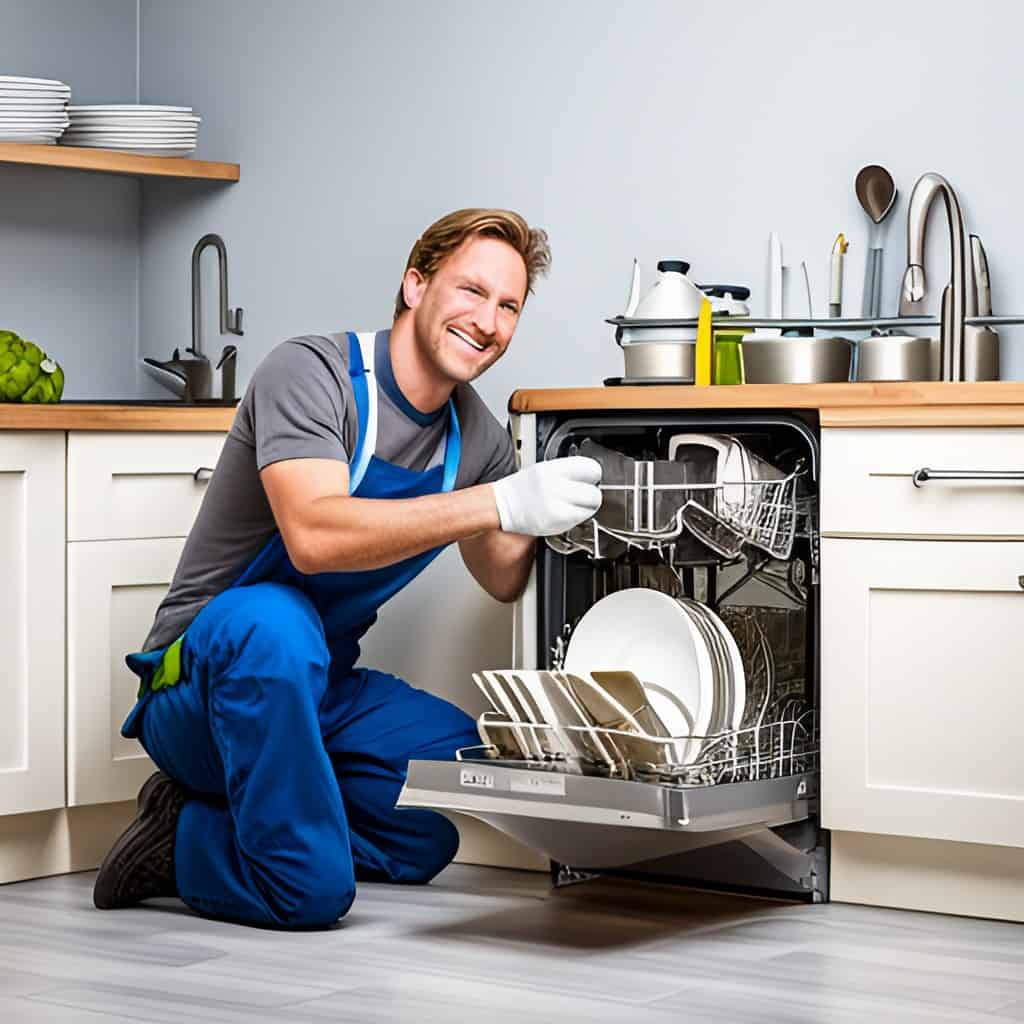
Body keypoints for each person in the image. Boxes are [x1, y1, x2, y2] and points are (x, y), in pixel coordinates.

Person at [92, 208, 602, 928]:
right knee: (310, 878)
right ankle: (182, 840)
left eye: (509, 305)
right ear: (415, 284)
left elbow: (501, 575)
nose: (487, 321)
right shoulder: (313, 375)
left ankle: (258, 815)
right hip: (205, 688)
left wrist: (563, 513)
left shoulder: (476, 435)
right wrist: (497, 501)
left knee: (439, 806)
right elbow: (314, 537)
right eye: (470, 290)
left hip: (317, 689)